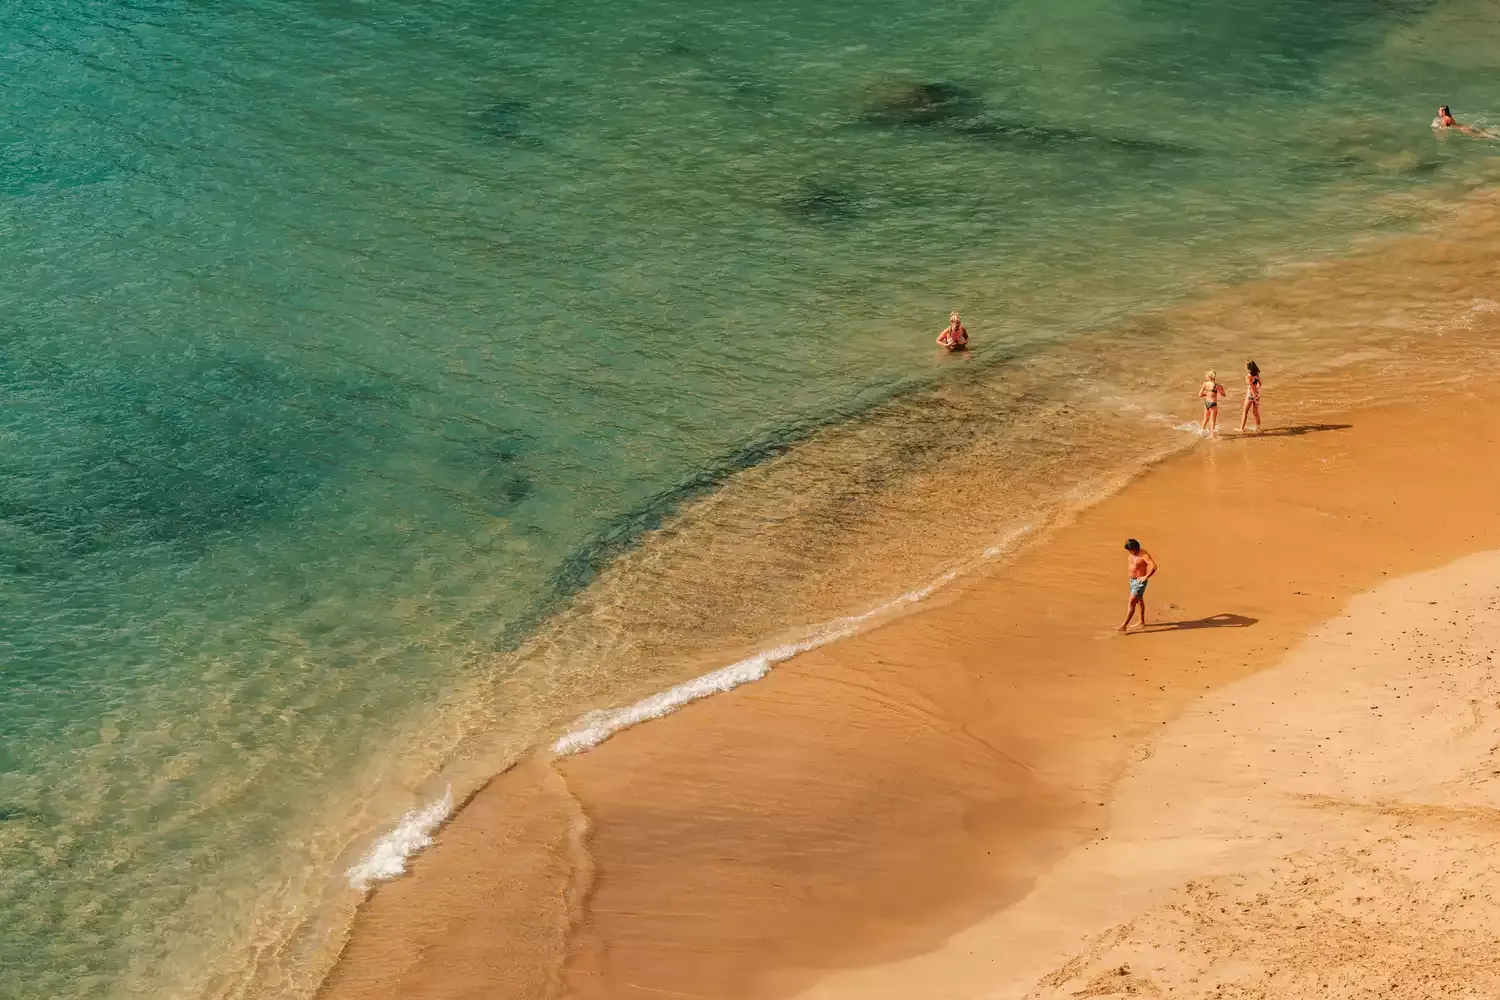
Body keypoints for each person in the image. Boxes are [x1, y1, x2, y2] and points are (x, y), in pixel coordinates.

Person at [1118, 539, 1158, 632]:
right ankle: (1141, 622)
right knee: (1139, 601)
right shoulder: (1132, 553)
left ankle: (1124, 626)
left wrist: (1146, 577)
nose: (1129, 552)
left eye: (1130, 550)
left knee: (1131, 602)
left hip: (1139, 582)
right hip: (1132, 580)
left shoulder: (1143, 554)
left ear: (1135, 548)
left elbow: (1154, 566)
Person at [1198, 370, 1226, 435]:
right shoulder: (1217, 385)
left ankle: (1201, 432)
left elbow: (1200, 395)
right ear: (1214, 377)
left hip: (1206, 403)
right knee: (1212, 421)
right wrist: (1222, 389)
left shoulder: (1205, 384)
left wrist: (1207, 394)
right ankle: (1212, 436)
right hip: (1213, 404)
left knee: (1205, 420)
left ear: (1208, 377)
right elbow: (1223, 395)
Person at [1239, 359, 1262, 433]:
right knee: (1256, 413)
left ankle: (1241, 429)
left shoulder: (1248, 377)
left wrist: (1254, 396)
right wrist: (1257, 392)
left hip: (1250, 396)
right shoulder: (1256, 374)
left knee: (1245, 412)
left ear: (1248, 368)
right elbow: (1260, 384)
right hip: (1257, 394)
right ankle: (1258, 428)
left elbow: (1251, 388)